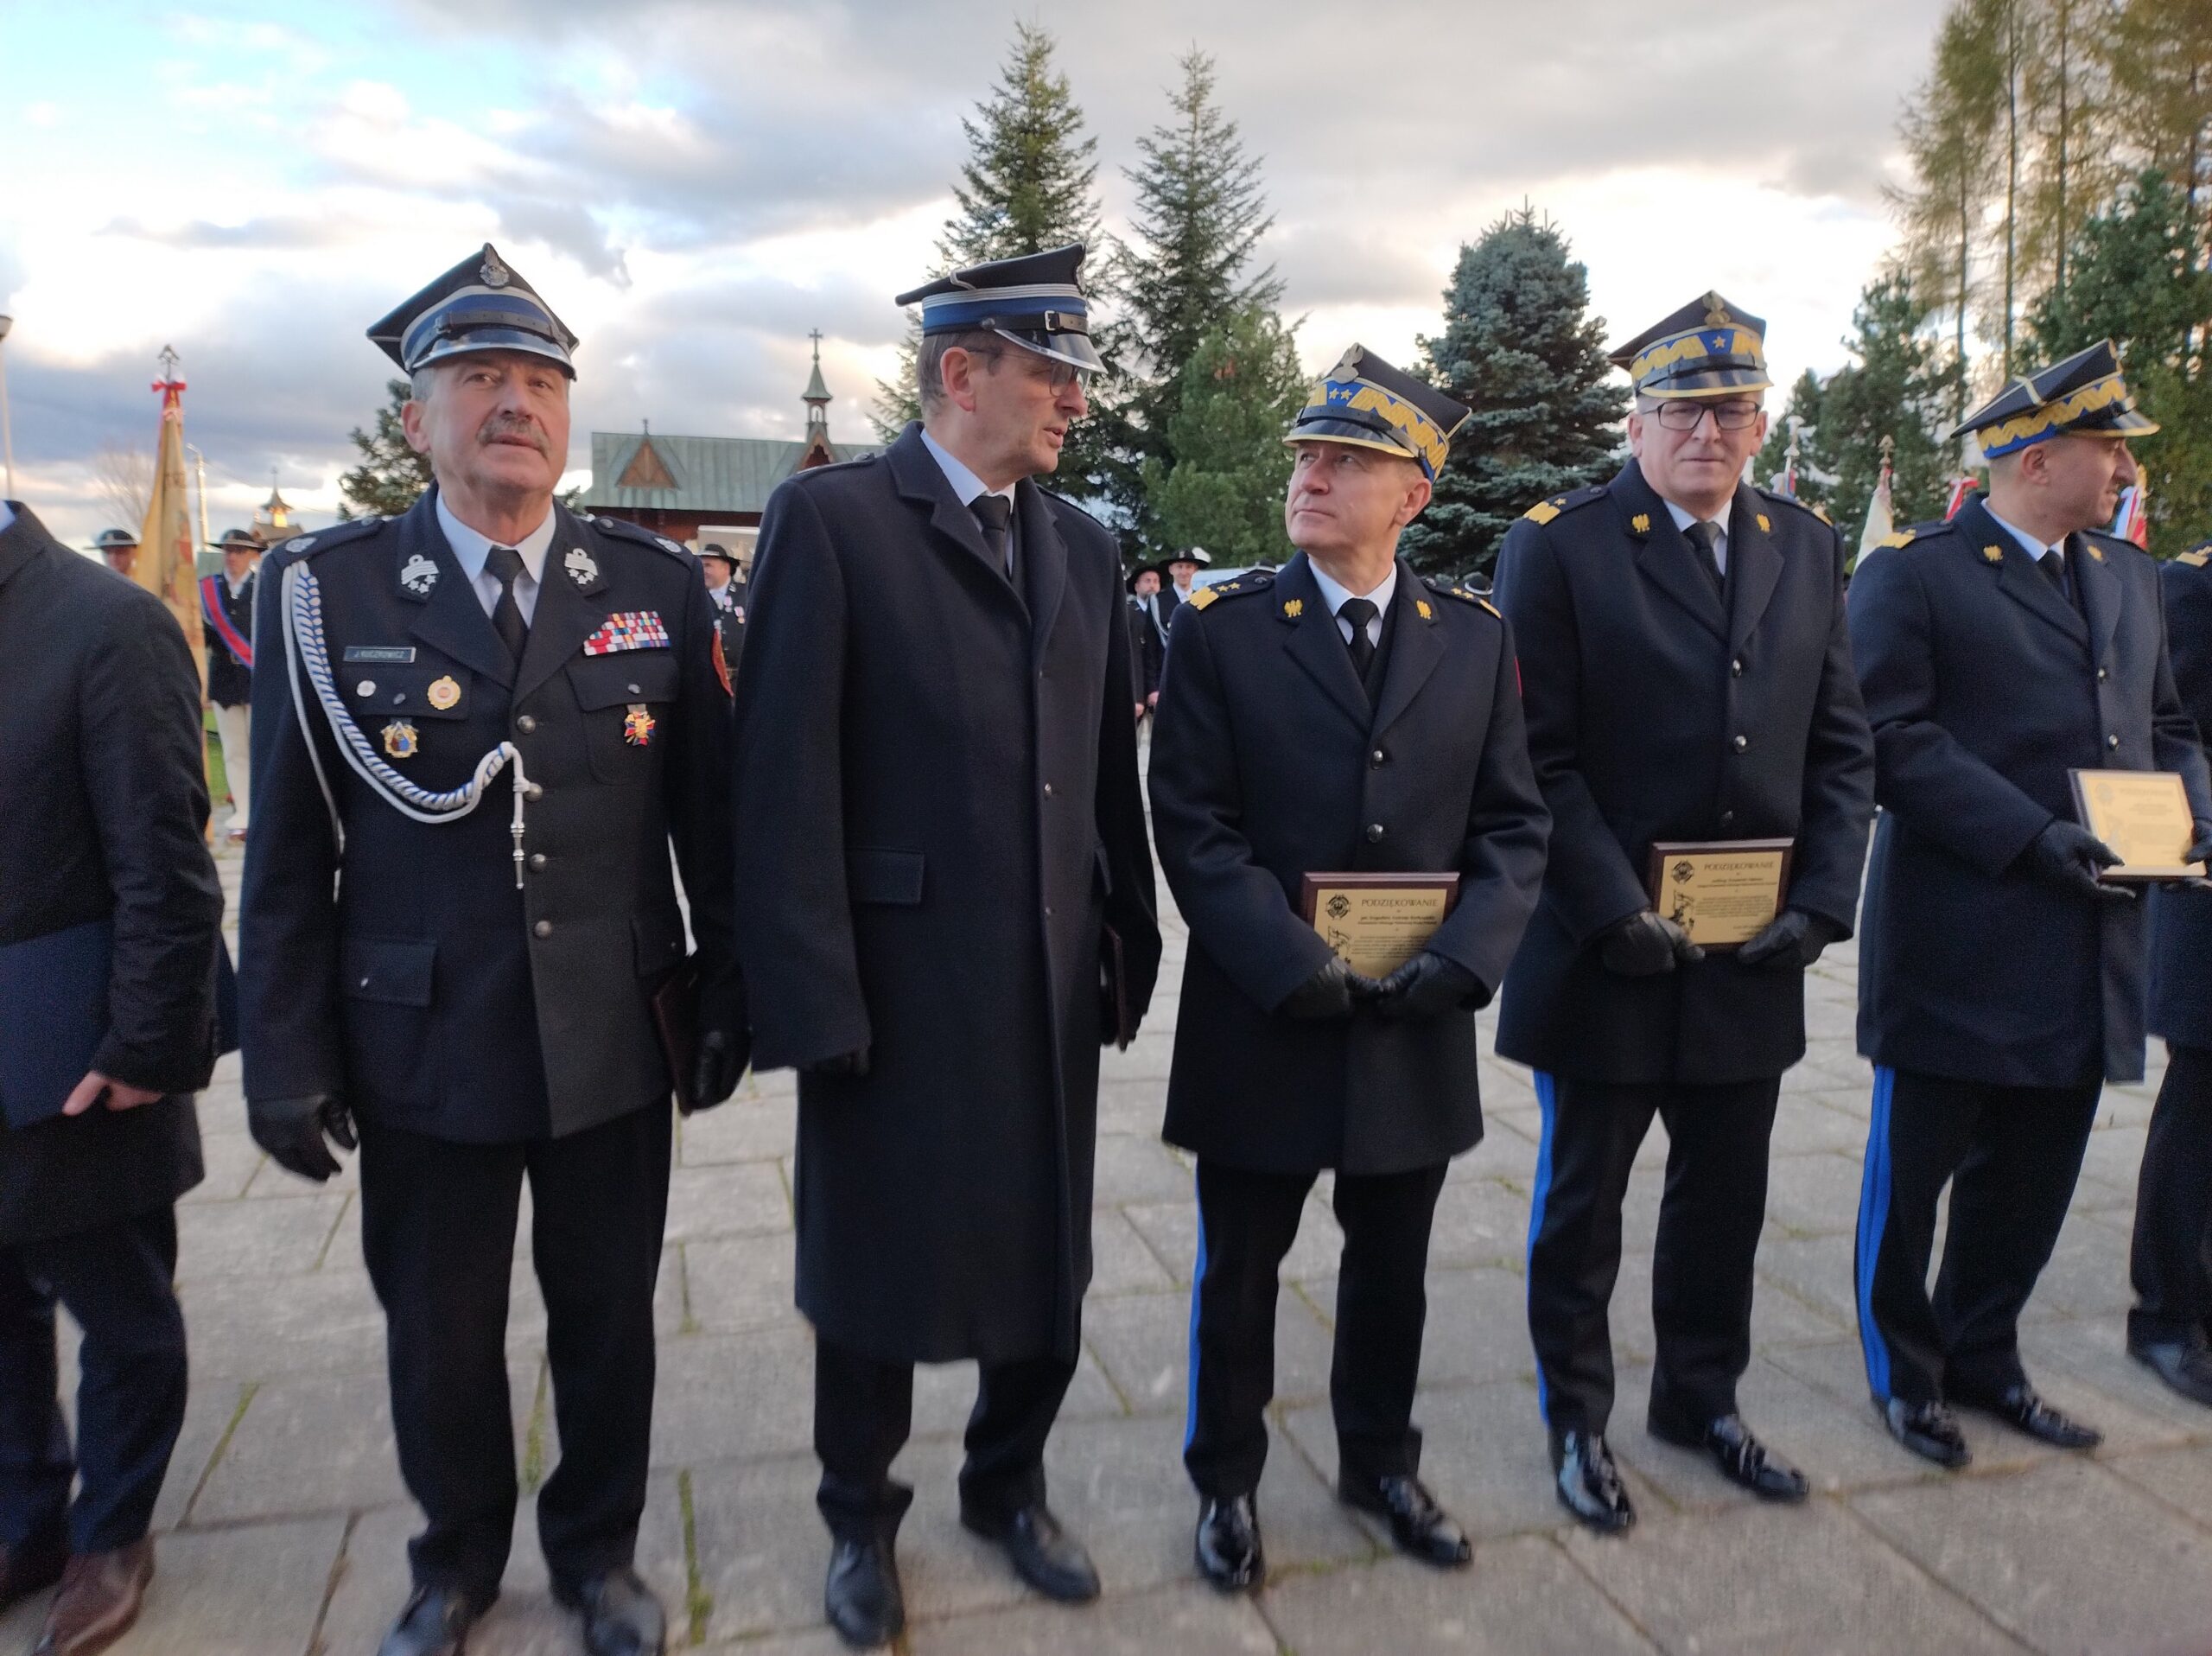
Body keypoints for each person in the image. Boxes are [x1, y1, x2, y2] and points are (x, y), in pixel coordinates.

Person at [238, 245, 745, 1656]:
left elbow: (713, 820)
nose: (514, 403)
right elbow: (286, 856)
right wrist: (282, 1056)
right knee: (439, 1331)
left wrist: (731, 991)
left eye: (540, 382)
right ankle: (453, 1560)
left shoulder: (650, 582)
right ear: (418, 418)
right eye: (478, 379)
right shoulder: (327, 592)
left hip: (612, 1027)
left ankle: (598, 1557)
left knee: (609, 1320)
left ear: (568, 416)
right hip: (423, 1037)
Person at [730, 244, 1161, 1651]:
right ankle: (860, 1517)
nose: (1075, 401)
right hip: (896, 987)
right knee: (876, 1270)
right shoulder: (837, 523)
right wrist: (811, 997)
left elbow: (1104, 768)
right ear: (961, 373)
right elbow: (782, 780)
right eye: (1051, 372)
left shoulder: (1081, 545)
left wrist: (1128, 925)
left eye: (1077, 375)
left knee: (1045, 1255)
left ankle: (1007, 1486)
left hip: (1046, 972)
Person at [1148, 347, 1548, 1590]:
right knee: (1241, 1270)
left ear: (1412, 495)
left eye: (1347, 461)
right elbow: (1193, 824)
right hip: (1265, 1012)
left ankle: (1379, 1461)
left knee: (1392, 1269)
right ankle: (1226, 1480)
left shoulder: (1471, 639)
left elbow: (1513, 824)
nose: (1310, 477)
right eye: (1306, 456)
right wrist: (1286, 958)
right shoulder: (1223, 630)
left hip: (1411, 1016)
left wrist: (1468, 961)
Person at [1493, 293, 1876, 1531]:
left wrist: (1822, 903)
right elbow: (1536, 757)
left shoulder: (1803, 544)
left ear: (1759, 423)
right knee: (1583, 1206)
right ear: (1637, 422)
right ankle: (1577, 1420)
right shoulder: (1561, 546)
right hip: (1606, 949)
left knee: (1725, 1198)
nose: (1707, 432)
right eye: (1681, 410)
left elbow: (1842, 746)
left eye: (1731, 409)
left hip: (1751, 950)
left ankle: (1701, 1399)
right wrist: (1610, 908)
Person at [1849, 341, 2211, 1467]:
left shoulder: (2126, 575)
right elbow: (1890, 738)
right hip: (1961, 934)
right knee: (1913, 1185)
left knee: (2033, 1179)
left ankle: (1986, 1354)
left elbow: (2167, 726)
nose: (2124, 469)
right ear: (2037, 458)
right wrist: (2029, 833)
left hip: (2086, 938)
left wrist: (2192, 814)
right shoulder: (1916, 574)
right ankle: (1906, 1375)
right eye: (2108, 448)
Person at [0, 499, 224, 1656]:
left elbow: (166, 856)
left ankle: (112, 1533)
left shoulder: (104, 622)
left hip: (72, 1050)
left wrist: (147, 1040)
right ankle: (25, 1518)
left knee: (123, 1315)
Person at [2129, 534, 2212, 1407]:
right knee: (2199, 1111)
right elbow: (2176, 738)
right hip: (2207, 888)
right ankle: (2165, 1313)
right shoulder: (2192, 589)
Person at [202, 528, 260, 844]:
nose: (232, 556)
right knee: (234, 751)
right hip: (225, 679)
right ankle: (243, 816)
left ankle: (262, 814)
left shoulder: (264, 586)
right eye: (228, 549)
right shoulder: (209, 589)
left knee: (259, 748)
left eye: (239, 550)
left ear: (252, 555)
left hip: (256, 678)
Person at [1126, 564, 1167, 721]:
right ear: (1137, 586)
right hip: (1137, 688)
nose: (1152, 585)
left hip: (1159, 687)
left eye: (1156, 581)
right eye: (1147, 581)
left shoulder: (1164, 612)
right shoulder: (1128, 613)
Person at [698, 543, 747, 674]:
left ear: (725, 568)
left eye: (708, 565)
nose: (703, 571)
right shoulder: (696, 596)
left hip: (740, 676)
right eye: (700, 566)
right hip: (706, 676)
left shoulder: (746, 594)